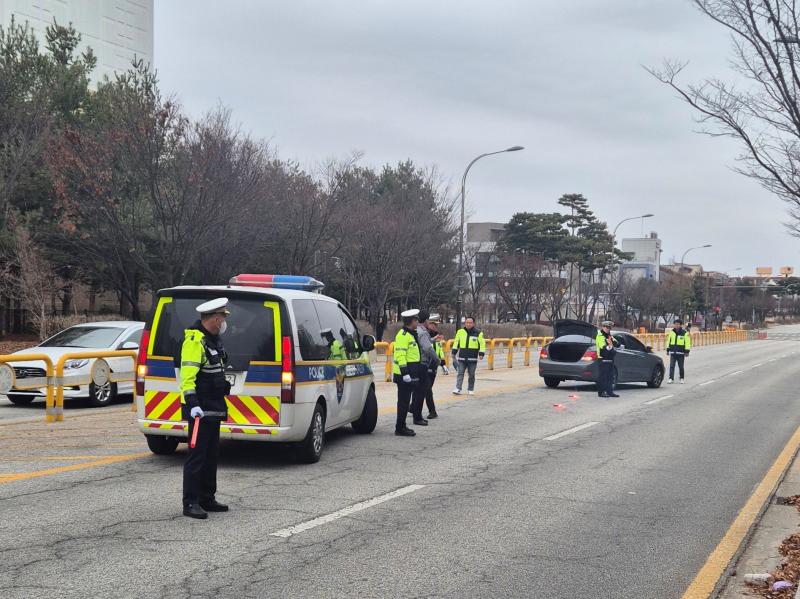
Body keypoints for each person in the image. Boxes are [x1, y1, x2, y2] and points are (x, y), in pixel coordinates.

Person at [180, 297, 232, 519]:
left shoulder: (212, 340)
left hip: (214, 406)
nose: (223, 323)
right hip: (200, 409)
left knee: (211, 455)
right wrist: (192, 404)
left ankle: (207, 498)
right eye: (222, 318)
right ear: (216, 318)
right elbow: (187, 377)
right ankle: (191, 502)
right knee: (197, 456)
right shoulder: (195, 341)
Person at [392, 309, 425, 436]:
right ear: (412, 321)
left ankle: (401, 426)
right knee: (403, 402)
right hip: (404, 375)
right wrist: (405, 373)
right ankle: (400, 428)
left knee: (405, 401)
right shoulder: (403, 336)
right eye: (416, 320)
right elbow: (400, 355)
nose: (417, 322)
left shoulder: (411, 334)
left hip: (411, 373)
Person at [452, 316, 486, 396]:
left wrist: (481, 353)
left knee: (471, 374)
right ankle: (458, 388)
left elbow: (482, 344)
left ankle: (470, 389)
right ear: (465, 323)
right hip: (462, 357)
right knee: (460, 373)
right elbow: (456, 342)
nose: (468, 324)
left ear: (473, 323)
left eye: (470, 323)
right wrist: (454, 351)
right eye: (467, 322)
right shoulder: (460, 332)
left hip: (472, 358)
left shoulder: (478, 333)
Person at [424, 314, 447, 419]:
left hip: (433, 364)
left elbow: (439, 350)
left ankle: (414, 406)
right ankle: (431, 411)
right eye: (433, 324)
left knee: (426, 388)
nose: (435, 326)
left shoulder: (437, 335)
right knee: (425, 388)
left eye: (436, 325)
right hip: (425, 364)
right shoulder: (425, 335)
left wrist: (443, 363)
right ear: (429, 324)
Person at [595, 320, 619, 398]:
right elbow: (603, 347)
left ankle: (610, 392)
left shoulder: (609, 336)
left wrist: (614, 343)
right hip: (602, 359)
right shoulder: (600, 336)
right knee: (603, 377)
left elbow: (616, 343)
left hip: (610, 359)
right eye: (607, 327)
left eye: (609, 327)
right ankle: (601, 392)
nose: (608, 329)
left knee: (610, 376)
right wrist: (611, 347)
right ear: (603, 327)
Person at [666, 318, 692, 384]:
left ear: (680, 325)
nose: (676, 325)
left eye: (678, 324)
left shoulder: (684, 333)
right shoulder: (671, 332)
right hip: (673, 352)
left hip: (681, 353)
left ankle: (681, 378)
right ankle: (671, 378)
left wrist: (687, 351)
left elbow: (687, 342)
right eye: (675, 324)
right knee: (671, 366)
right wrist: (668, 350)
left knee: (681, 366)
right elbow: (668, 341)